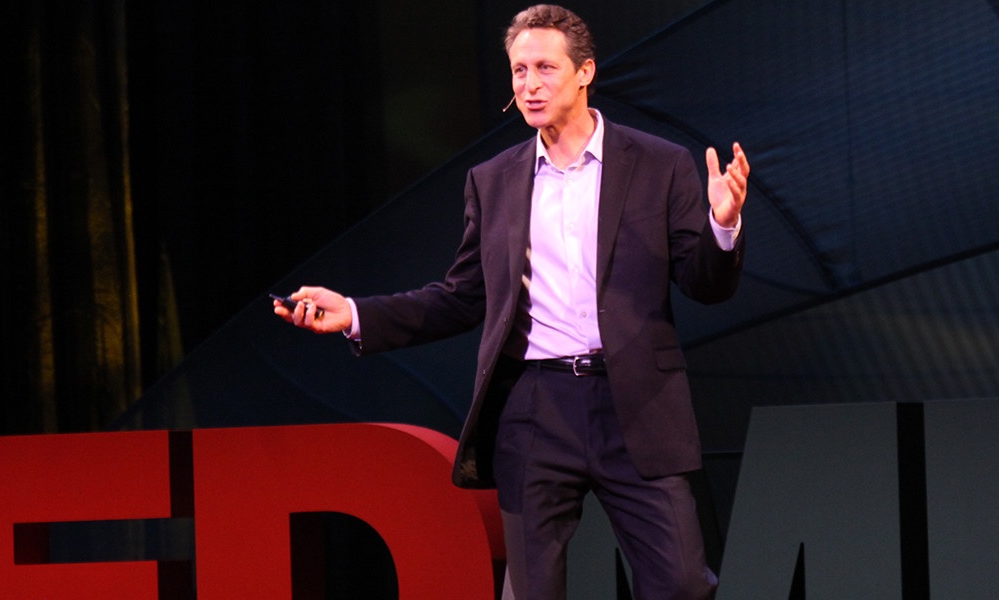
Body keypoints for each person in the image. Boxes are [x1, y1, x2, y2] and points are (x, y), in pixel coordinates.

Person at [274, 4, 748, 598]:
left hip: (634, 402)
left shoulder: (658, 164)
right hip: (535, 407)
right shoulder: (493, 180)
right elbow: (461, 297)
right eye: (519, 70)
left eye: (545, 68)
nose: (530, 85)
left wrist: (721, 226)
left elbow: (706, 284)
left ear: (585, 72)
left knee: (680, 585)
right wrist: (357, 313)